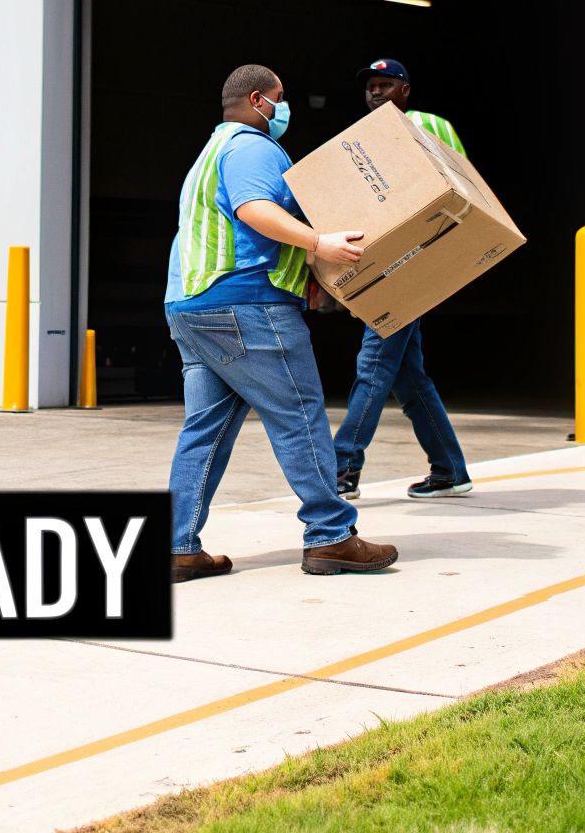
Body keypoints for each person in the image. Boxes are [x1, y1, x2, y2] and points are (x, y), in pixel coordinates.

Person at [164, 63, 401, 583]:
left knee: (205, 430)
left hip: (193, 306)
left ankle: (178, 545)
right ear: (257, 101)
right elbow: (253, 209)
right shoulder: (252, 147)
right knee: (299, 415)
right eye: (280, 98)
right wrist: (321, 243)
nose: (283, 107)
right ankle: (332, 536)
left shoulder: (211, 151)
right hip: (244, 305)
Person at [334, 58, 472, 500]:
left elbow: (461, 184)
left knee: (373, 365)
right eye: (371, 86)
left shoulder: (426, 123)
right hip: (388, 264)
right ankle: (450, 470)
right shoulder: (363, 141)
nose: (376, 92)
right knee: (408, 377)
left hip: (415, 263)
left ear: (405, 90)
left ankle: (342, 468)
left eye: (386, 84)